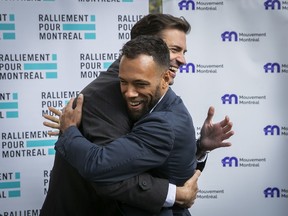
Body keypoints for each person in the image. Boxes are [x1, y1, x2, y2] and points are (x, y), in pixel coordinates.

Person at [41, 14, 234, 216]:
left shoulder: (158, 91)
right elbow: (105, 174)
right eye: (174, 50)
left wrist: (198, 148)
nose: (183, 60)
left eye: (183, 51)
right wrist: (175, 194)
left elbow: (146, 155)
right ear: (146, 46)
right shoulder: (104, 96)